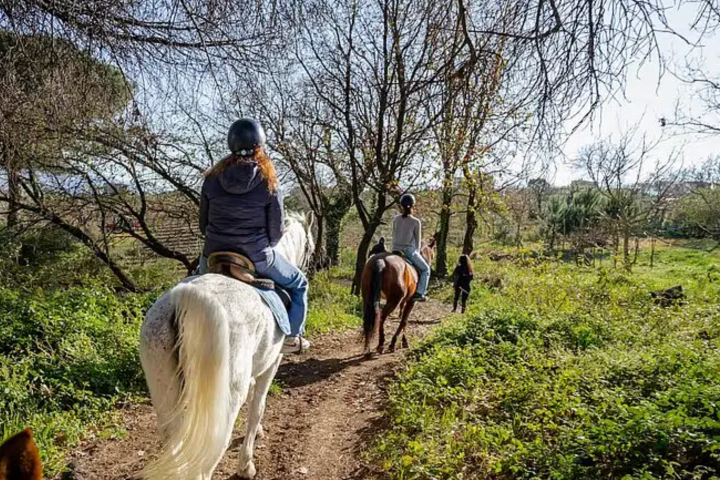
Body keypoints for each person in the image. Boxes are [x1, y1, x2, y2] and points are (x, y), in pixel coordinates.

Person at [198, 118, 310, 354]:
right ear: (260, 147)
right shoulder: (268, 180)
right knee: (299, 284)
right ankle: (292, 336)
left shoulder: (211, 179)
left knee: (193, 285)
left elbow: (203, 225)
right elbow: (277, 231)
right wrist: (261, 247)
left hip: (214, 253)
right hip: (255, 255)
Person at [391, 193, 430, 301]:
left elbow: (394, 234)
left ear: (401, 206)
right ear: (413, 205)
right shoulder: (416, 222)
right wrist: (416, 253)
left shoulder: (395, 219)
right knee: (425, 269)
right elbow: (417, 241)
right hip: (408, 251)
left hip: (395, 249)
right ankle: (419, 293)